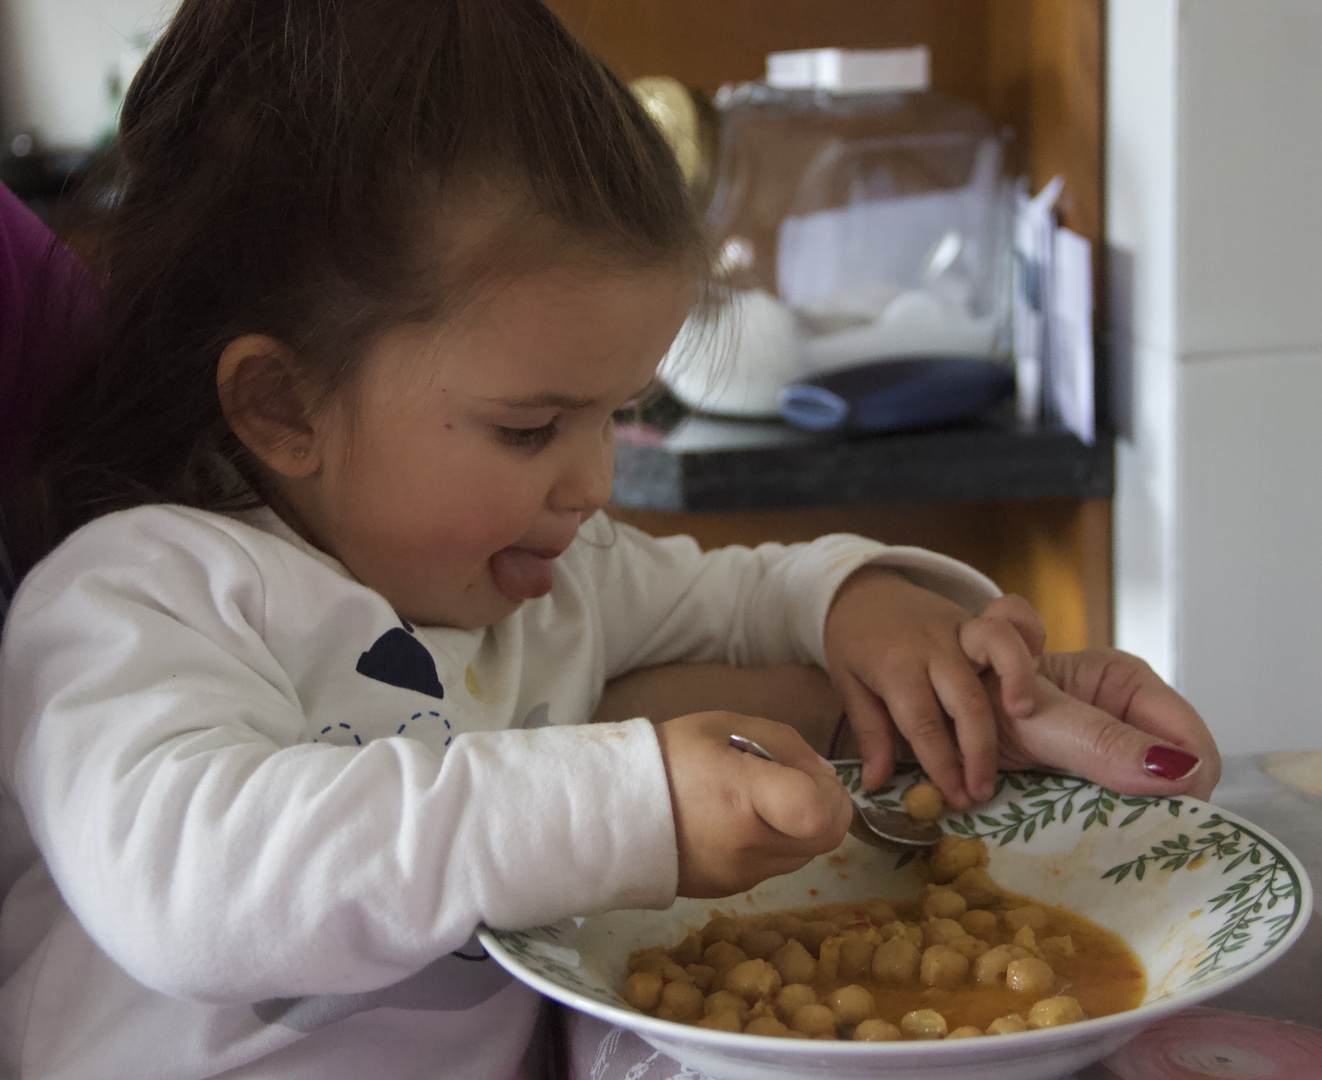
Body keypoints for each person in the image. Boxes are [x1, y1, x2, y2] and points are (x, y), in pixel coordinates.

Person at [0, 3, 1216, 1078]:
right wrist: (628, 804)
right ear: (282, 407)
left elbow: (742, 597)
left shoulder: (539, 579)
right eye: (530, 428)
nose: (591, 482)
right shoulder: (142, 593)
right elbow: (188, 888)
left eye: (617, 415)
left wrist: (868, 605)